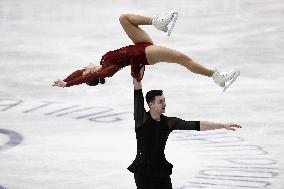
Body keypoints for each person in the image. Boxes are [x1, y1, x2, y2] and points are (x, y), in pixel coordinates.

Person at [53, 11, 240, 92]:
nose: (83, 68)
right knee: (181, 58)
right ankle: (215, 76)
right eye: (86, 70)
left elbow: (79, 74)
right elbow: (83, 77)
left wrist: (66, 79)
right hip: (144, 53)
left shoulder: (102, 62)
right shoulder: (106, 71)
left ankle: (158, 22)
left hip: (140, 44)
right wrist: (68, 85)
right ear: (92, 74)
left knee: (124, 18)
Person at [129, 66, 241, 189]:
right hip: (143, 171)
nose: (164, 104)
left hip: (161, 170)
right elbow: (137, 91)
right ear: (151, 104)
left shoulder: (169, 123)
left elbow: (196, 125)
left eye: (164, 100)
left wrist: (222, 125)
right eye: (160, 101)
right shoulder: (142, 119)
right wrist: (137, 73)